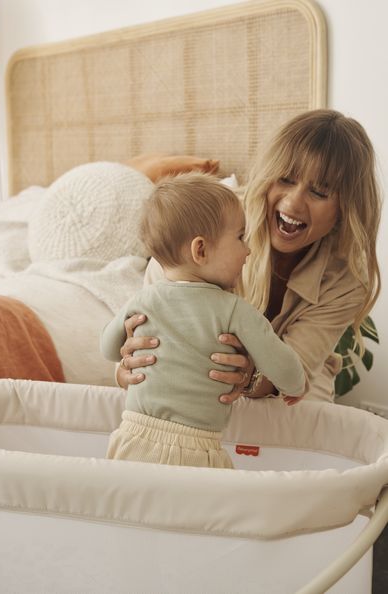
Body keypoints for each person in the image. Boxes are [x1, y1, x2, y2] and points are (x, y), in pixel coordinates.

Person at [116, 109, 381, 405]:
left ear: (345, 208)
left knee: (302, 420)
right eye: (285, 179)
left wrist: (249, 378)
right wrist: (128, 362)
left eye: (318, 192)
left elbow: (297, 376)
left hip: (299, 383)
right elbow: (159, 299)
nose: (293, 203)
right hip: (204, 366)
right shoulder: (213, 221)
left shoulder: (346, 280)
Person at [101, 173, 305, 468]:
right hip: (196, 450)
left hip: (131, 437)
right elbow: (285, 368)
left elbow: (107, 348)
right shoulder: (233, 310)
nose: (248, 250)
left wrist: (123, 351)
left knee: (133, 512)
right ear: (201, 250)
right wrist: (297, 385)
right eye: (239, 237)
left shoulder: (143, 299)